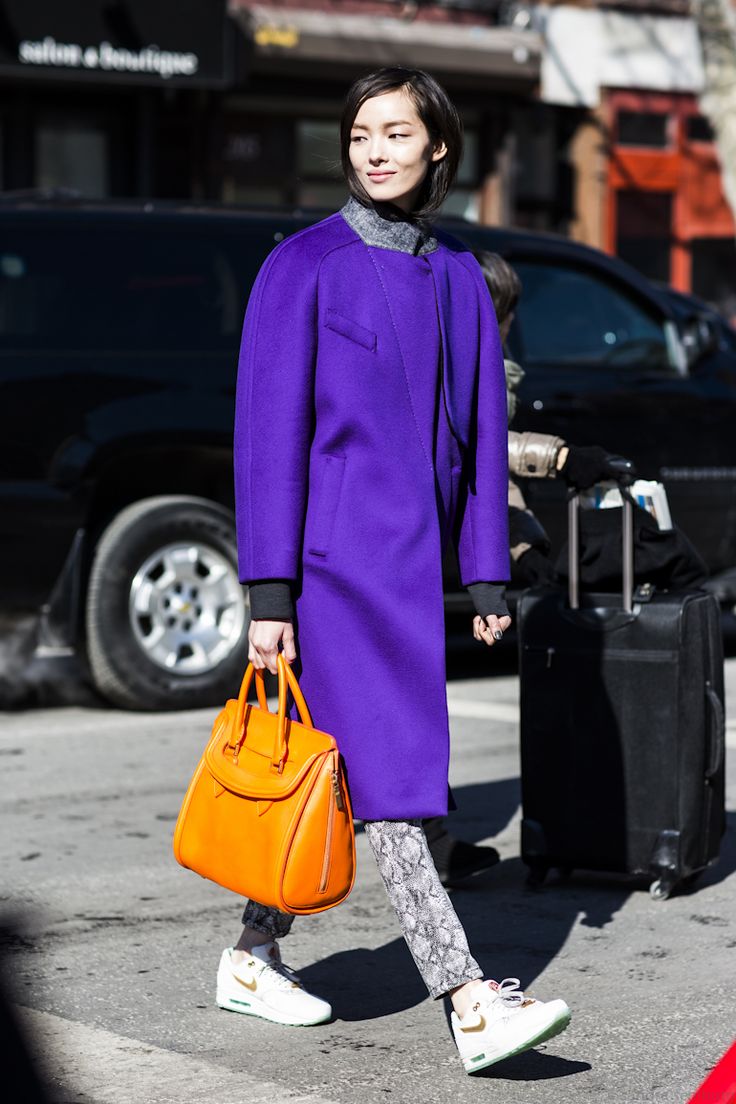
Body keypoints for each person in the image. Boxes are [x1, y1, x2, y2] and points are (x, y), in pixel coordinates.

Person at [224, 66, 571, 1074]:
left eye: (396, 134)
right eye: (360, 134)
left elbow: (476, 440)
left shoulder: (461, 279)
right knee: (391, 789)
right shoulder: (301, 267)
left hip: (412, 581)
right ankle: (468, 1000)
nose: (374, 151)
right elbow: (269, 436)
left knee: (341, 780)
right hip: (330, 576)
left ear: (437, 151)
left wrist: (487, 577)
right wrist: (269, 594)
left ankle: (252, 953)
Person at [424, 251, 635, 885]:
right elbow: (470, 444)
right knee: (385, 711)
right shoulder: (448, 356)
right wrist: (562, 456)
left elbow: (492, 482)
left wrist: (523, 547)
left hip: (414, 548)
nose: (502, 327)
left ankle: (425, 842)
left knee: (404, 710)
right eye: (497, 314)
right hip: (381, 552)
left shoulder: (488, 362)